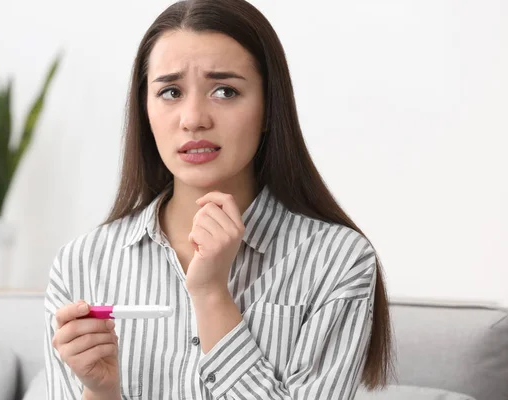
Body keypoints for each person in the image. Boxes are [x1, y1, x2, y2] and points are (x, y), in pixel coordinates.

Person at [44, 0, 395, 399]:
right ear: (145, 109)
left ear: (268, 110)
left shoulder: (339, 259)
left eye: (225, 91)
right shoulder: (81, 264)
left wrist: (212, 295)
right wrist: (102, 392)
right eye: (170, 91)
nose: (193, 117)